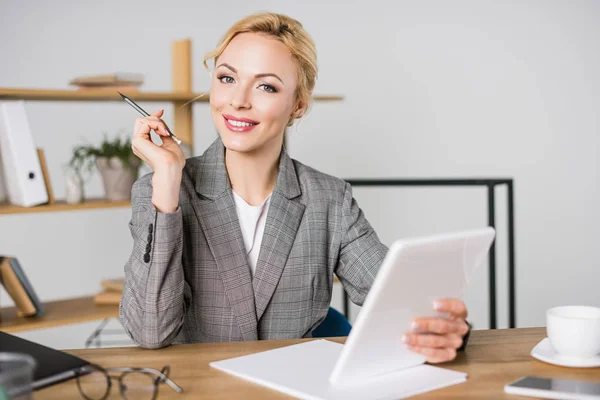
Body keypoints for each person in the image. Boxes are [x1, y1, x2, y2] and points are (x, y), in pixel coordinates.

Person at [119, 11, 471, 364]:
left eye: (266, 86)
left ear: (298, 105)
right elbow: (151, 333)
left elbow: (399, 298)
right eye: (227, 78)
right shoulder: (161, 189)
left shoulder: (330, 199)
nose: (238, 100)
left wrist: (445, 327)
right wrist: (166, 179)